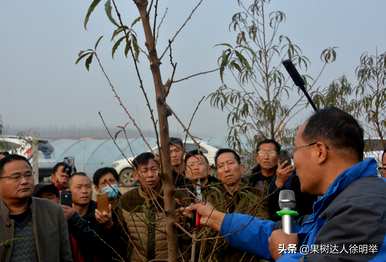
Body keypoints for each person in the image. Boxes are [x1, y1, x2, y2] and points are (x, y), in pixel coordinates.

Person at [185, 107, 386, 261]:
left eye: (295, 150)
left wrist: (284, 256)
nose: (292, 160)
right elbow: (290, 236)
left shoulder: (363, 209)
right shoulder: (342, 203)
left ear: (319, 152)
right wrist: (214, 217)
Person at [0, 154, 72, 262]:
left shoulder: (53, 211)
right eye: (16, 177)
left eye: (28, 175)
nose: (24, 181)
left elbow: (65, 255)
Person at [248, 139, 315, 220]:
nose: (266, 157)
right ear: (257, 157)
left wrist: (280, 183)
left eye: (271, 153)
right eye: (262, 153)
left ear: (278, 157)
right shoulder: (249, 181)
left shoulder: (293, 177)